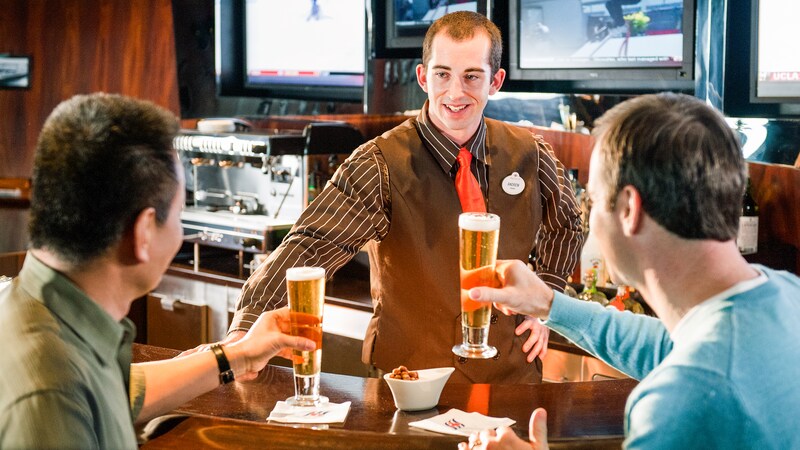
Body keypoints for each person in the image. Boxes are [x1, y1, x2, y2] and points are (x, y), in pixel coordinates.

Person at [219, 11, 584, 384]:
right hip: (409, 381)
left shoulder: (531, 152)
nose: (455, 92)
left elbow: (568, 225)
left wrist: (546, 301)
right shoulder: (378, 162)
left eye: (472, 76)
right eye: (442, 74)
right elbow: (311, 245)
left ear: (495, 81)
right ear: (424, 77)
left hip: (512, 375)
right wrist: (243, 334)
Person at [459, 93, 800, 449]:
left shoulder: (679, 401)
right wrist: (549, 304)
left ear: (628, 209)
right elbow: (667, 347)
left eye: (591, 200)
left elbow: (694, 371)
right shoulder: (786, 294)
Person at [0, 93, 315, 448]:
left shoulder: (33, 314)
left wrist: (239, 355)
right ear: (144, 233)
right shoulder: (48, 396)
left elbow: (121, 391)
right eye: (180, 214)